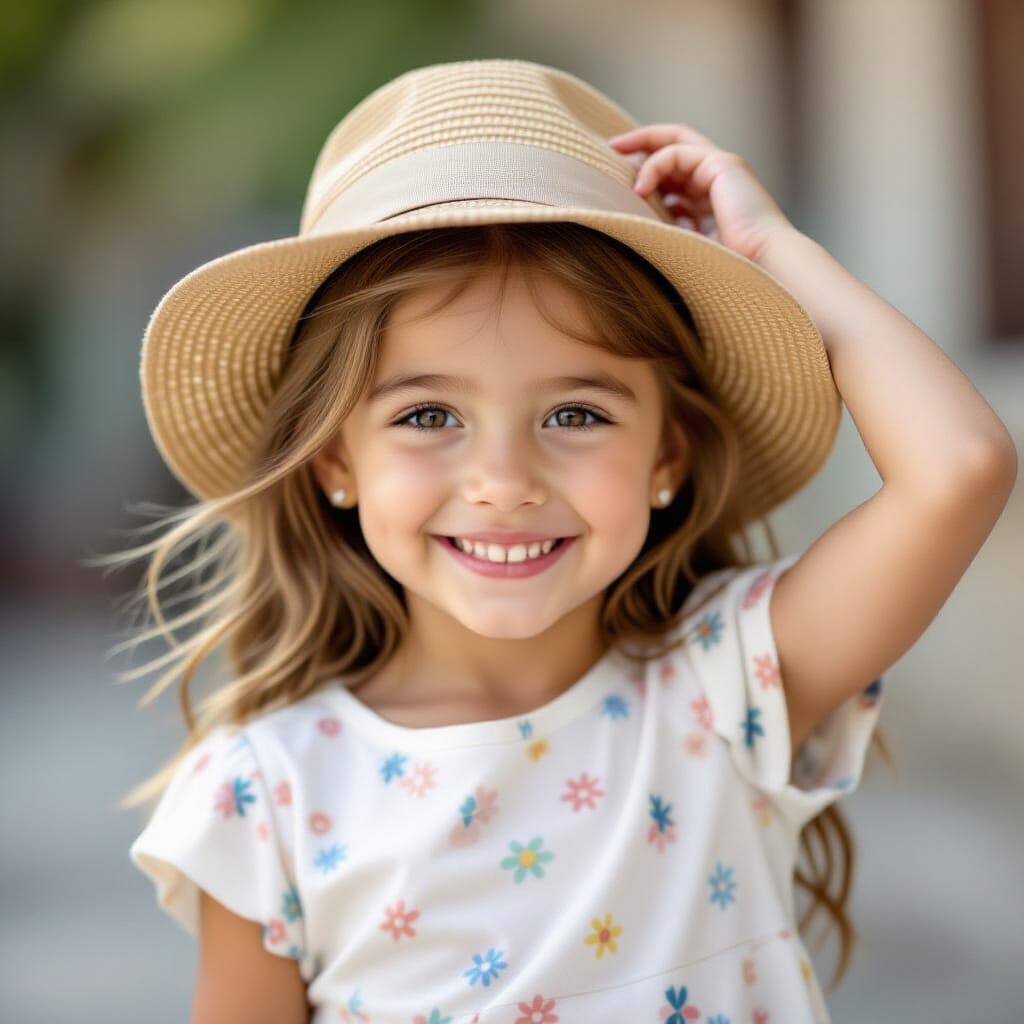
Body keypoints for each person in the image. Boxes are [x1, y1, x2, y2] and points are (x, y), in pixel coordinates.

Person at [108, 58, 1017, 1023]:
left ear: (667, 456)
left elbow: (958, 467)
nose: (504, 481)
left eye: (576, 414)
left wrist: (773, 246)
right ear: (337, 463)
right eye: (427, 416)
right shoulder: (268, 792)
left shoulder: (727, 684)